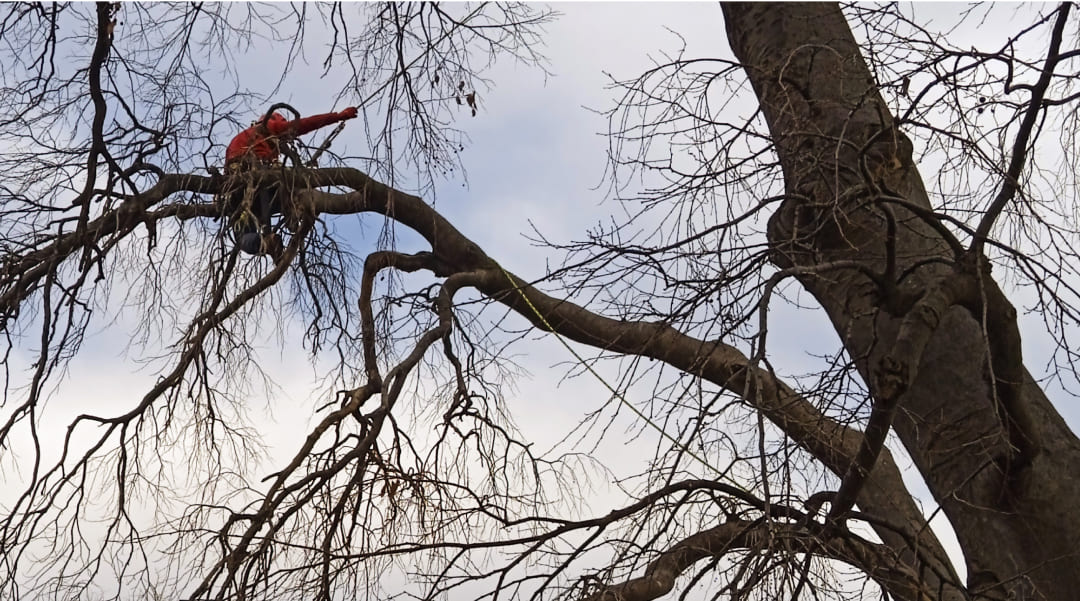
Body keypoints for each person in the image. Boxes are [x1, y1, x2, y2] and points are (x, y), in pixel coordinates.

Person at [224, 106, 358, 256]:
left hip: (240, 194)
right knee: (293, 189)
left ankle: (264, 242)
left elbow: (228, 170)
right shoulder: (269, 127)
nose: (285, 141)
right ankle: (293, 211)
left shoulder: (239, 140)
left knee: (243, 236)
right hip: (259, 183)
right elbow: (305, 124)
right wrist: (338, 116)